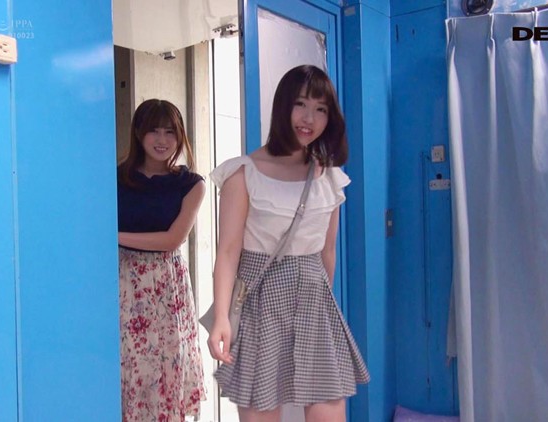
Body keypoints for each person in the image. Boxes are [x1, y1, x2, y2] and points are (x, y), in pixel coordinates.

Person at [206, 65, 370, 421]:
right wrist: (221, 318)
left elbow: (327, 252)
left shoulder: (330, 177)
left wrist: (321, 304)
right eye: (300, 104)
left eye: (321, 109)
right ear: (283, 105)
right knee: (262, 412)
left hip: (315, 302)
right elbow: (228, 253)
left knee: (330, 412)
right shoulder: (243, 173)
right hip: (259, 304)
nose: (309, 118)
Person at [117, 99, 206, 421]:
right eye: (154, 130)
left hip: (166, 284)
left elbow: (172, 240)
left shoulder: (191, 184)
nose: (162, 139)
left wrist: (113, 236)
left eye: (170, 132)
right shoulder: (114, 178)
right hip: (122, 282)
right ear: (138, 133)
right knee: (128, 365)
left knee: (165, 364)